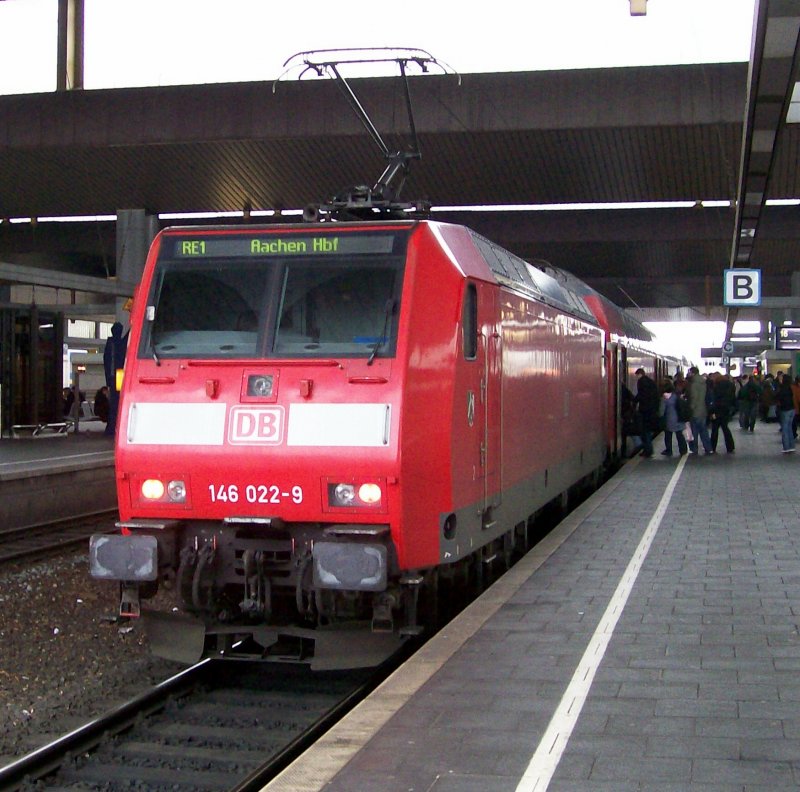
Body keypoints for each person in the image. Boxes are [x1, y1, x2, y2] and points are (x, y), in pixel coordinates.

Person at [103, 321, 129, 436]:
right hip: (119, 374)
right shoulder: (120, 342)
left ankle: (111, 426)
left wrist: (108, 379)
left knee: (114, 401)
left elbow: (106, 361)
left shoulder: (110, 343)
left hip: (113, 375)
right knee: (117, 401)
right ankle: (114, 426)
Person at [685, 366, 713, 455]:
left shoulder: (694, 384)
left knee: (694, 431)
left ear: (693, 373)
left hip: (696, 411)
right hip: (703, 410)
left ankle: (694, 449)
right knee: (704, 431)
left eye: (689, 372)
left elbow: (694, 398)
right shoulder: (703, 382)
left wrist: (691, 408)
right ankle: (708, 448)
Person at [633, 367, 659, 458]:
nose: (636, 377)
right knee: (647, 431)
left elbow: (641, 395)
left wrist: (634, 401)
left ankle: (647, 450)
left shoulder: (641, 382)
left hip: (645, 410)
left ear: (639, 374)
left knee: (644, 431)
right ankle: (648, 449)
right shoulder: (651, 382)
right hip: (651, 410)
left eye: (637, 375)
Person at [659, 381, 688, 457]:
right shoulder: (676, 395)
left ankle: (669, 450)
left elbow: (662, 411)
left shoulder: (664, 398)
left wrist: (659, 416)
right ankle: (683, 450)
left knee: (668, 435)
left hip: (670, 419)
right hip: (679, 418)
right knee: (680, 435)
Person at [709, 372, 736, 454]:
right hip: (726, 410)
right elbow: (733, 398)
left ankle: (712, 447)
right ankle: (730, 447)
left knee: (715, 429)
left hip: (717, 410)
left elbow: (714, 400)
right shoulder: (730, 385)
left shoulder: (716, 386)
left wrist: (712, 411)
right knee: (725, 428)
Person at [776, 372, 796, 453]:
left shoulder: (783, 388)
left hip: (785, 410)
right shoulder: (790, 388)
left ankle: (786, 447)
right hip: (792, 409)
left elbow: (777, 397)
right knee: (789, 428)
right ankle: (791, 445)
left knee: (784, 429)